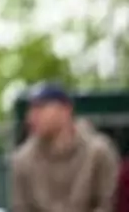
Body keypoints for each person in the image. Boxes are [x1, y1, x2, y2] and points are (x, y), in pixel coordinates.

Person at [10, 82, 120, 212]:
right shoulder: (23, 160)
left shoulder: (99, 152)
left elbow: (108, 204)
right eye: (31, 110)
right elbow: (21, 207)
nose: (31, 117)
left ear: (66, 110)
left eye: (41, 108)